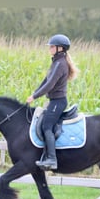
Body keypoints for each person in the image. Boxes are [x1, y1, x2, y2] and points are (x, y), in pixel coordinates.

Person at [26, 34, 79, 170]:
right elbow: (45, 80)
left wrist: (35, 97)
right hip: (54, 101)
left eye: (52, 46)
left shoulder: (60, 64)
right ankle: (47, 156)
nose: (49, 48)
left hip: (58, 102)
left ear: (60, 48)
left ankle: (52, 159)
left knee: (47, 126)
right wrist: (34, 93)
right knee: (45, 124)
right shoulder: (56, 62)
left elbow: (50, 85)